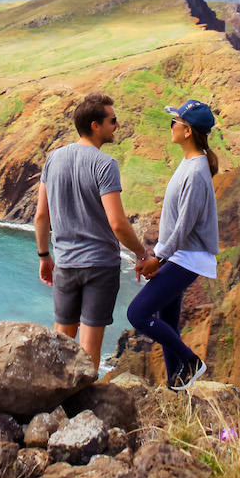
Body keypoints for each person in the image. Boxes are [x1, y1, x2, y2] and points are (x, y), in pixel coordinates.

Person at [34, 92, 148, 368]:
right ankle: (83, 407)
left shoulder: (53, 159)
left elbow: (40, 216)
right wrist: (142, 253)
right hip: (99, 267)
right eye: (113, 120)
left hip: (65, 264)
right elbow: (118, 223)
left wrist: (43, 256)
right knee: (89, 348)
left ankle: (55, 406)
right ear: (95, 125)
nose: (116, 126)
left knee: (61, 341)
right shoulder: (105, 164)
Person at [127, 98, 218, 390]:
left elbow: (184, 226)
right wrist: (160, 257)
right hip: (179, 256)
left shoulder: (195, 172)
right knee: (168, 320)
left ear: (188, 131)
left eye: (174, 122)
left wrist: (159, 258)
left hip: (186, 258)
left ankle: (191, 362)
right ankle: (176, 384)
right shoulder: (191, 163)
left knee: (137, 314)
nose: (171, 127)